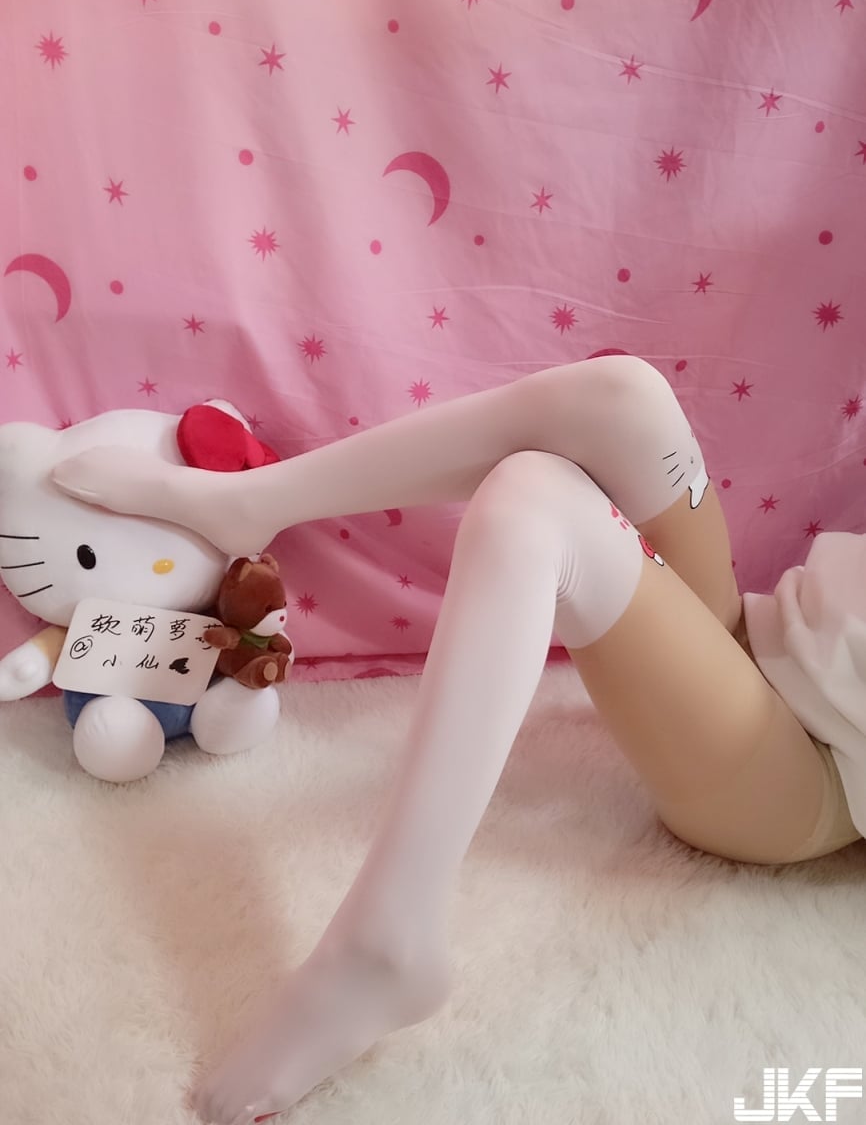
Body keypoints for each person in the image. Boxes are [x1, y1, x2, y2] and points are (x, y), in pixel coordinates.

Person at [51, 354, 863, 1125]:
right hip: (770, 633)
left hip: (803, 770)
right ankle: (251, 502)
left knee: (532, 501)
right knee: (619, 398)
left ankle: (387, 940)